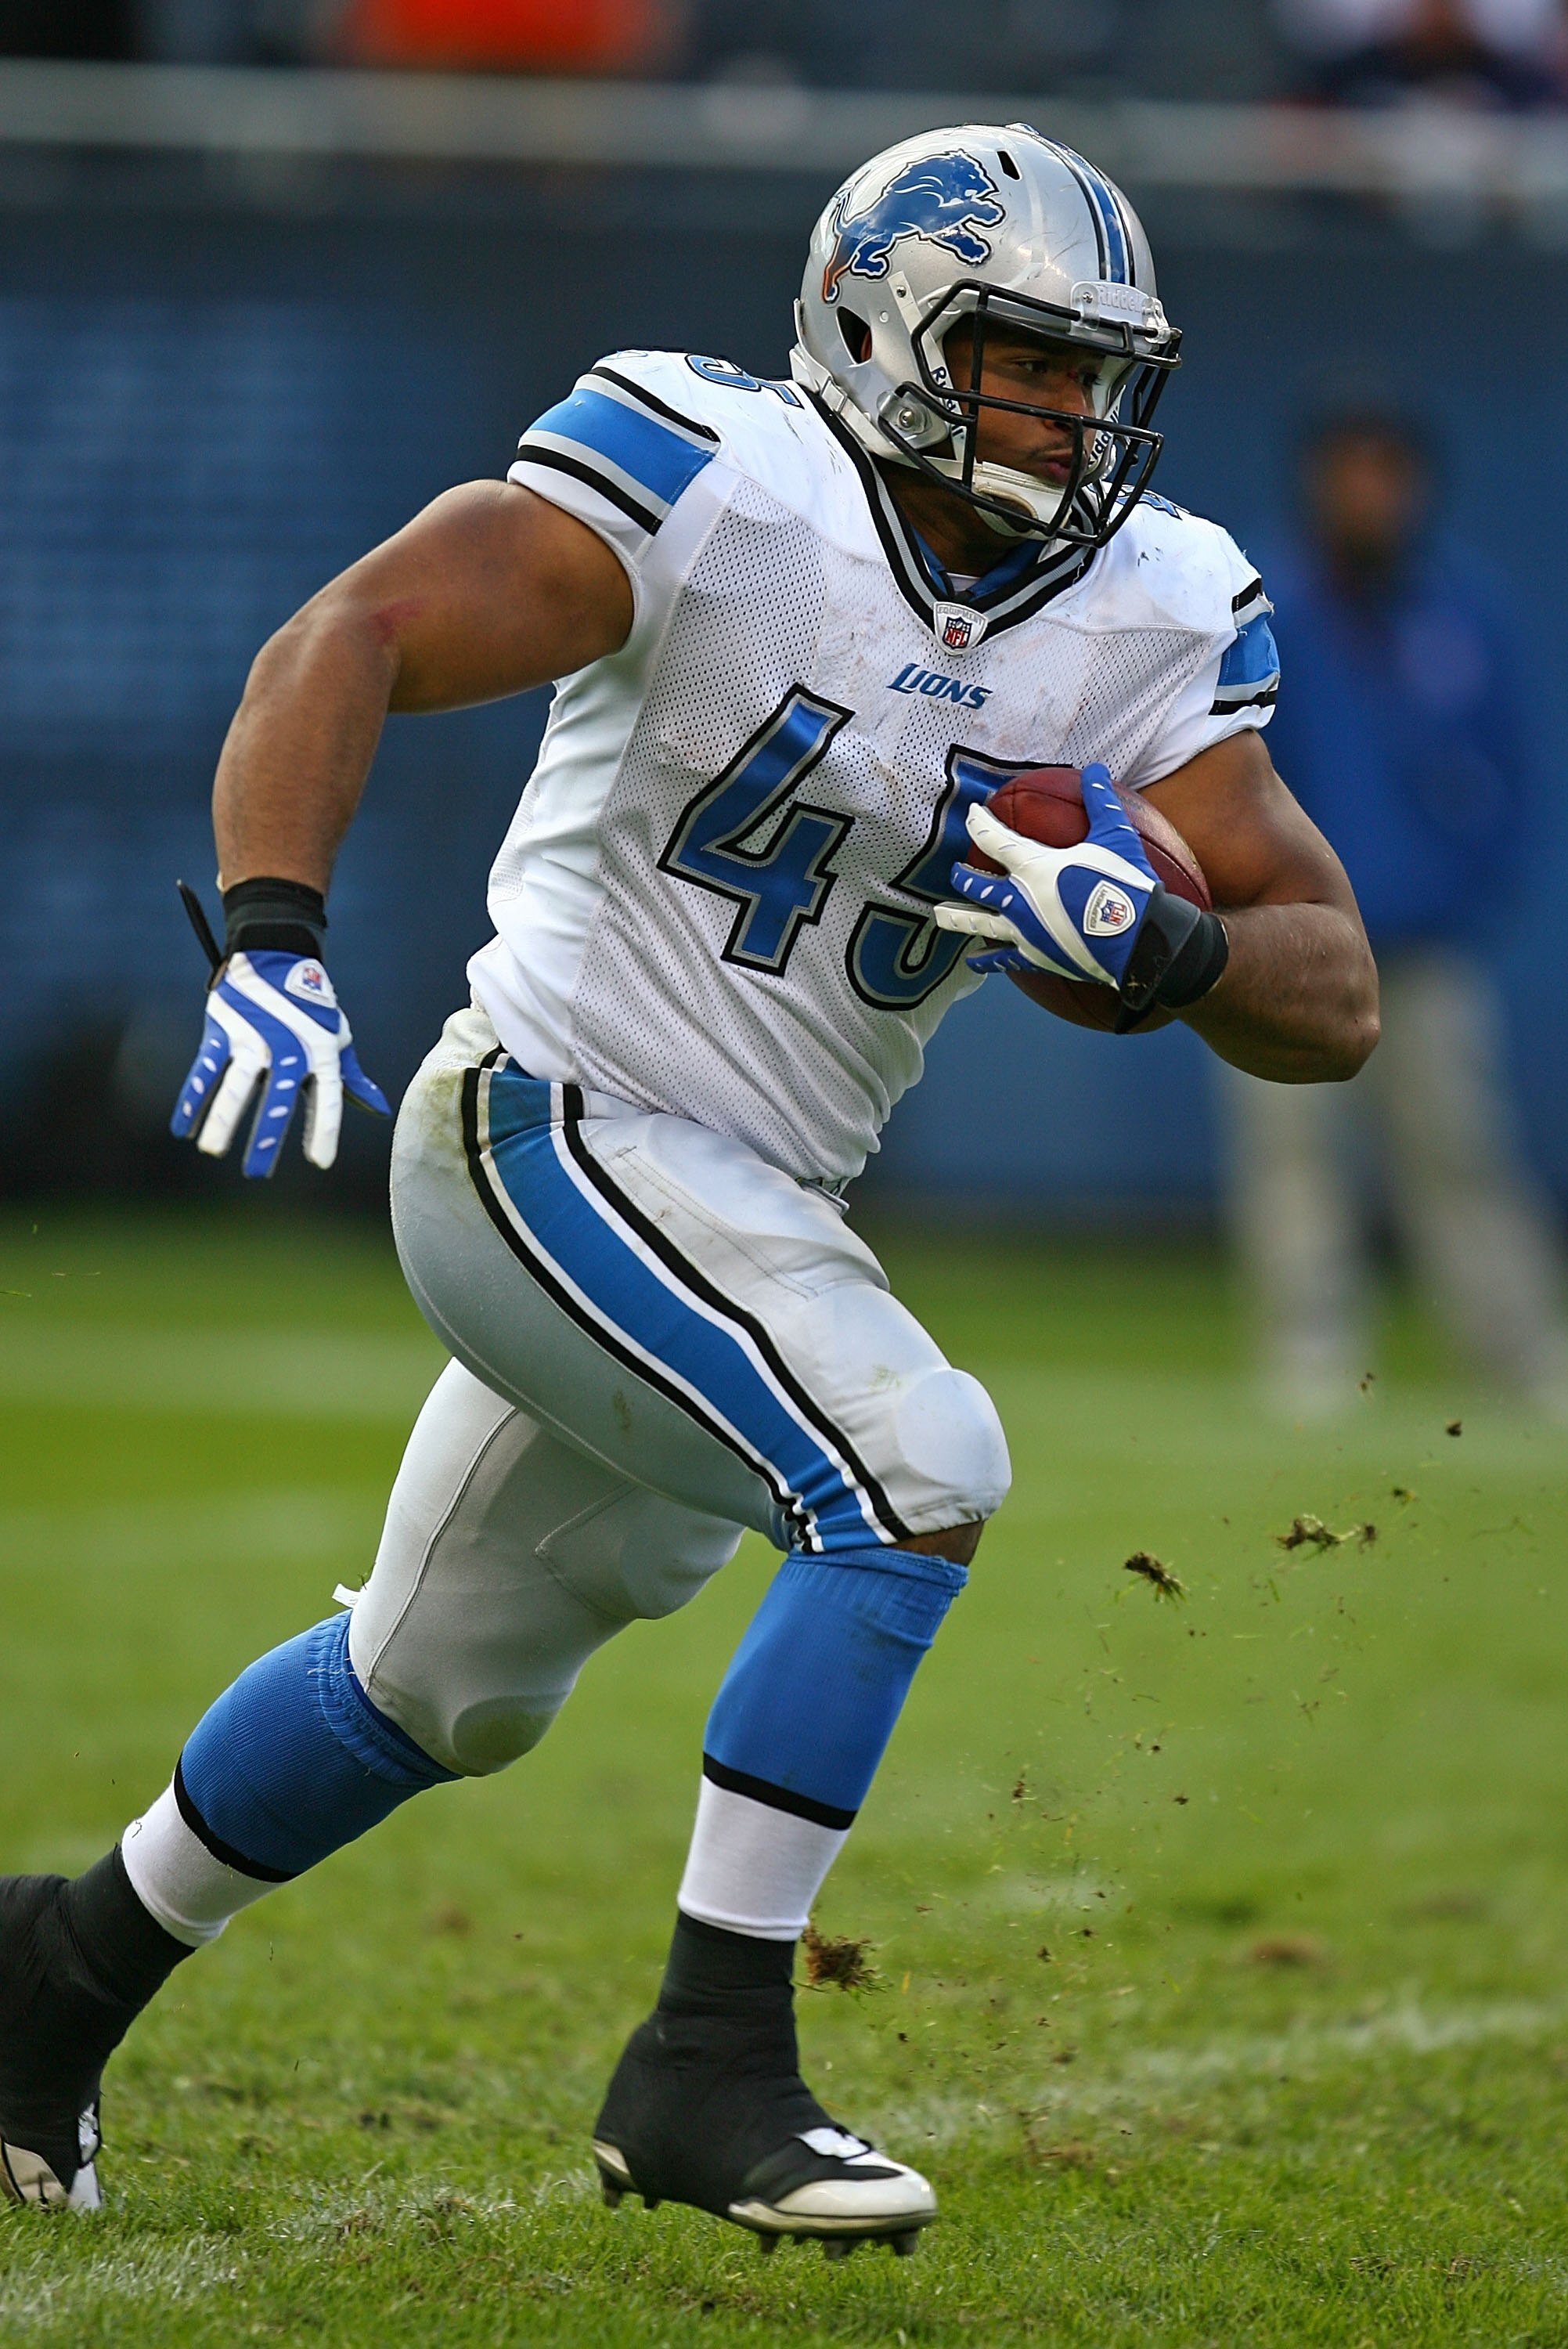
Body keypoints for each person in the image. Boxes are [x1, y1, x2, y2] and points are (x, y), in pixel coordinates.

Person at [0, 125, 1376, 2246]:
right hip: (544, 1124)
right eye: (1024, 362)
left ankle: (54, 1973)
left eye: (1100, 377)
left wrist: (1177, 951)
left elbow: (1333, 986)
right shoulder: (721, 475)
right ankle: (707, 2063)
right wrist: (274, 933)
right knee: (915, 1462)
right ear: (881, 326)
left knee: (434, 1683)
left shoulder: (1151, 605)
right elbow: (353, 629)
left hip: (756, 1203)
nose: (1072, 418)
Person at [1224, 408, 1567, 1415]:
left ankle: (1518, 1349)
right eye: (1347, 470)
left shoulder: (1458, 611)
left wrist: (1464, 891)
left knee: (1459, 1146)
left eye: (1386, 472)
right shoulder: (1255, 601)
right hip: (1278, 937)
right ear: (1314, 480)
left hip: (1416, 948)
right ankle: (1309, 1356)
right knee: (1290, 1154)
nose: (1366, 491)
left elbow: (1509, 770)